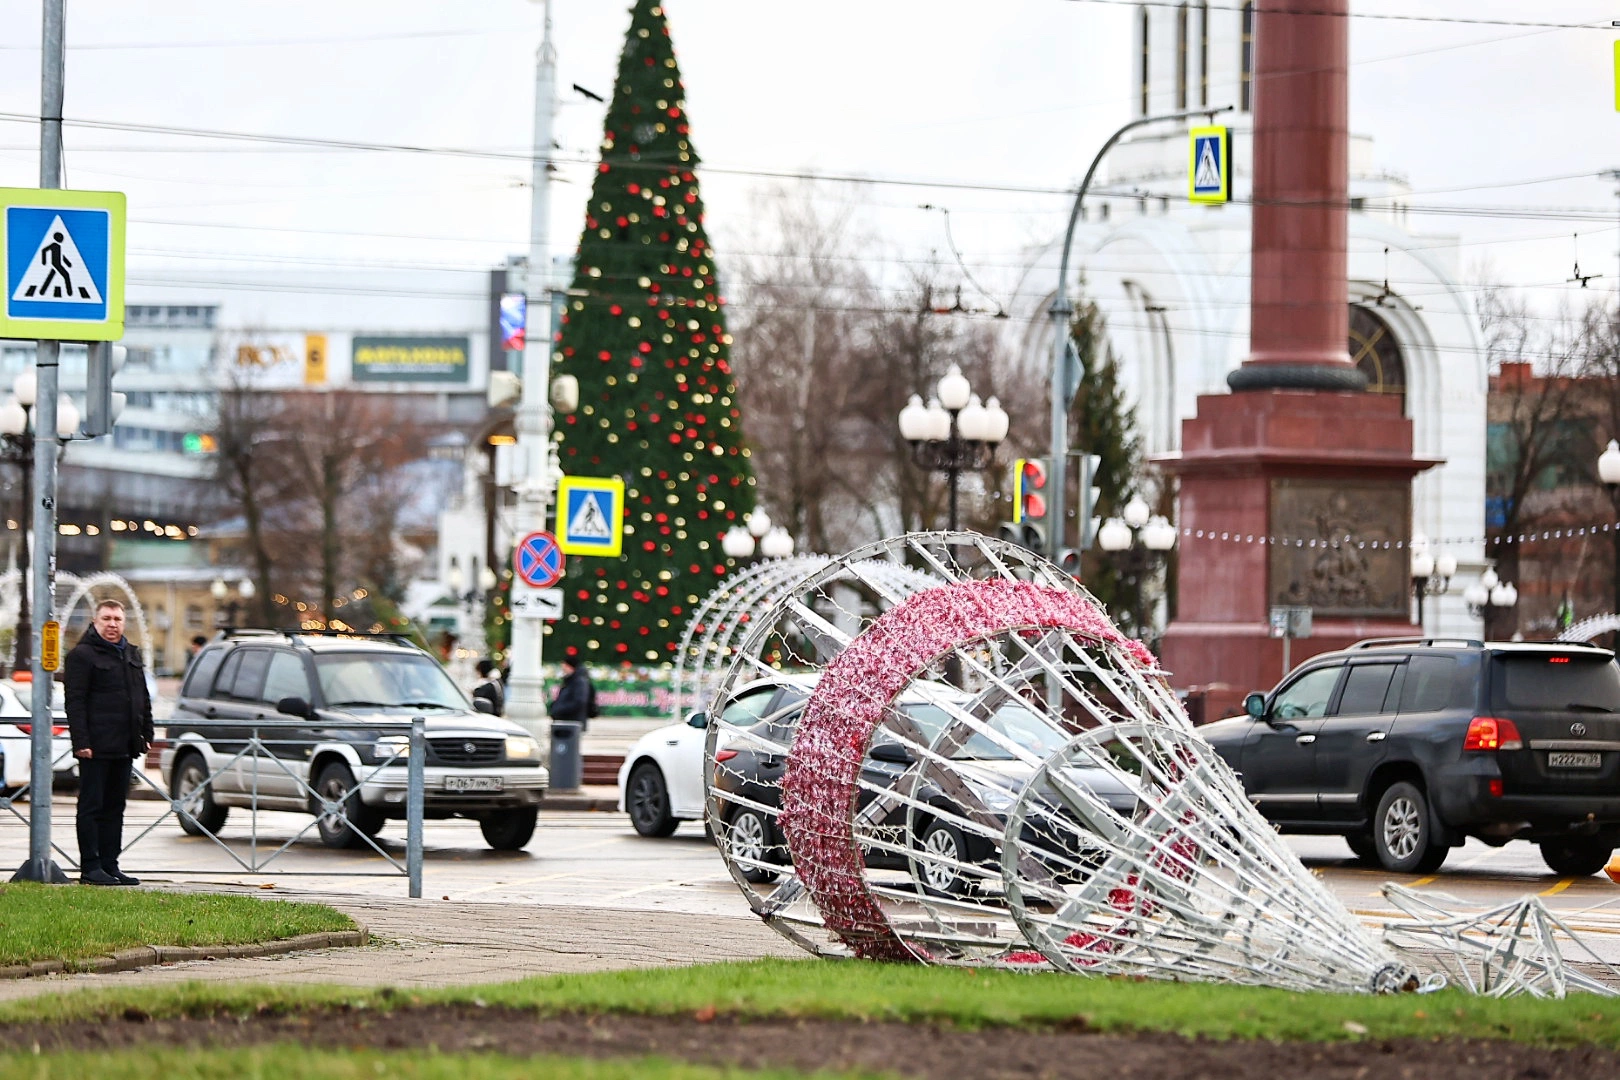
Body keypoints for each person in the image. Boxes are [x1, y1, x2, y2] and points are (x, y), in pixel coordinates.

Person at [64, 599, 153, 887]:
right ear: (96, 621)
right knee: (92, 806)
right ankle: (91, 867)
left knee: (115, 806)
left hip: (125, 744)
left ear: (124, 622)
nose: (112, 624)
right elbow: (75, 702)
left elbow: (143, 697)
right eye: (106, 619)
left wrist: (147, 733)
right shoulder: (82, 656)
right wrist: (81, 741)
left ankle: (110, 864)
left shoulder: (130, 653)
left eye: (117, 619)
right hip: (95, 745)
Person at [548, 654, 598, 730]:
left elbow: (579, 701)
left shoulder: (579, 682)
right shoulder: (570, 681)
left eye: (564, 666)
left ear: (570, 666)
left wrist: (559, 710)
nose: (563, 669)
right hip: (567, 722)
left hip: (573, 722)